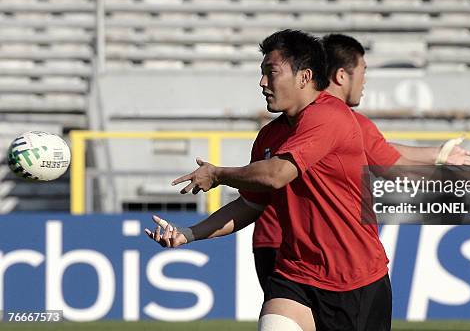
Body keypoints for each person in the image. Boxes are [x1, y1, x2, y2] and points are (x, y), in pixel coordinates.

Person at [145, 29, 392, 331]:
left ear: (304, 76)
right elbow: (250, 205)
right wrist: (190, 233)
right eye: (262, 73)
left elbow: (277, 175)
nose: (262, 83)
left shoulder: (330, 116)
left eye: (270, 73)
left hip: (356, 280)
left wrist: (219, 174)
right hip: (295, 275)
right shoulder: (269, 135)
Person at [252, 33, 470, 291]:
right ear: (341, 76)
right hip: (303, 253)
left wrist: (439, 154)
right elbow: (392, 166)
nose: (365, 80)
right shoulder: (336, 119)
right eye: (363, 70)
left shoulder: (311, 120)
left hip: (275, 241)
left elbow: (378, 152)